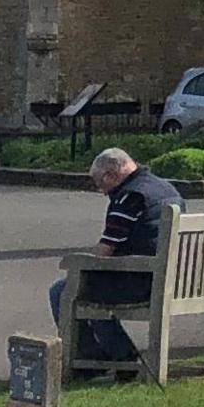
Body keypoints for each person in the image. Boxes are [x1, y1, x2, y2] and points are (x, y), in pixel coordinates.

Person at [48, 146, 182, 365]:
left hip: (142, 281)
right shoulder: (167, 189)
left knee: (64, 289)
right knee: (88, 285)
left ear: (111, 174)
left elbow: (106, 250)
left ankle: (95, 358)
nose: (102, 191)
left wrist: (79, 264)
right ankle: (119, 355)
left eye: (101, 183)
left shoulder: (130, 197)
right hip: (171, 279)